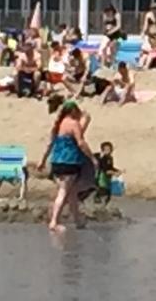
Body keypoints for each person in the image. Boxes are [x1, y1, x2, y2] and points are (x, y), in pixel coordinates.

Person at [37, 100, 95, 233]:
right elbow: (80, 142)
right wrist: (92, 158)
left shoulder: (58, 125)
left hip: (56, 162)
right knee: (63, 192)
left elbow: (49, 144)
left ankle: (77, 220)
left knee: (72, 192)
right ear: (73, 111)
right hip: (69, 162)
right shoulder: (73, 124)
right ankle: (54, 222)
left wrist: (42, 160)